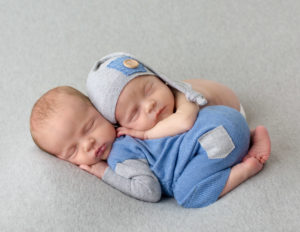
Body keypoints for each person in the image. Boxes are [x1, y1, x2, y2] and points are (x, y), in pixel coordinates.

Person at [30, 86, 270, 208]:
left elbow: (150, 191)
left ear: (99, 109)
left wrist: (103, 173)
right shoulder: (135, 121)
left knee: (187, 195)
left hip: (215, 142)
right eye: (73, 151)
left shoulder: (119, 159)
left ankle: (247, 166)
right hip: (223, 119)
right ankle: (250, 136)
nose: (89, 143)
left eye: (89, 126)